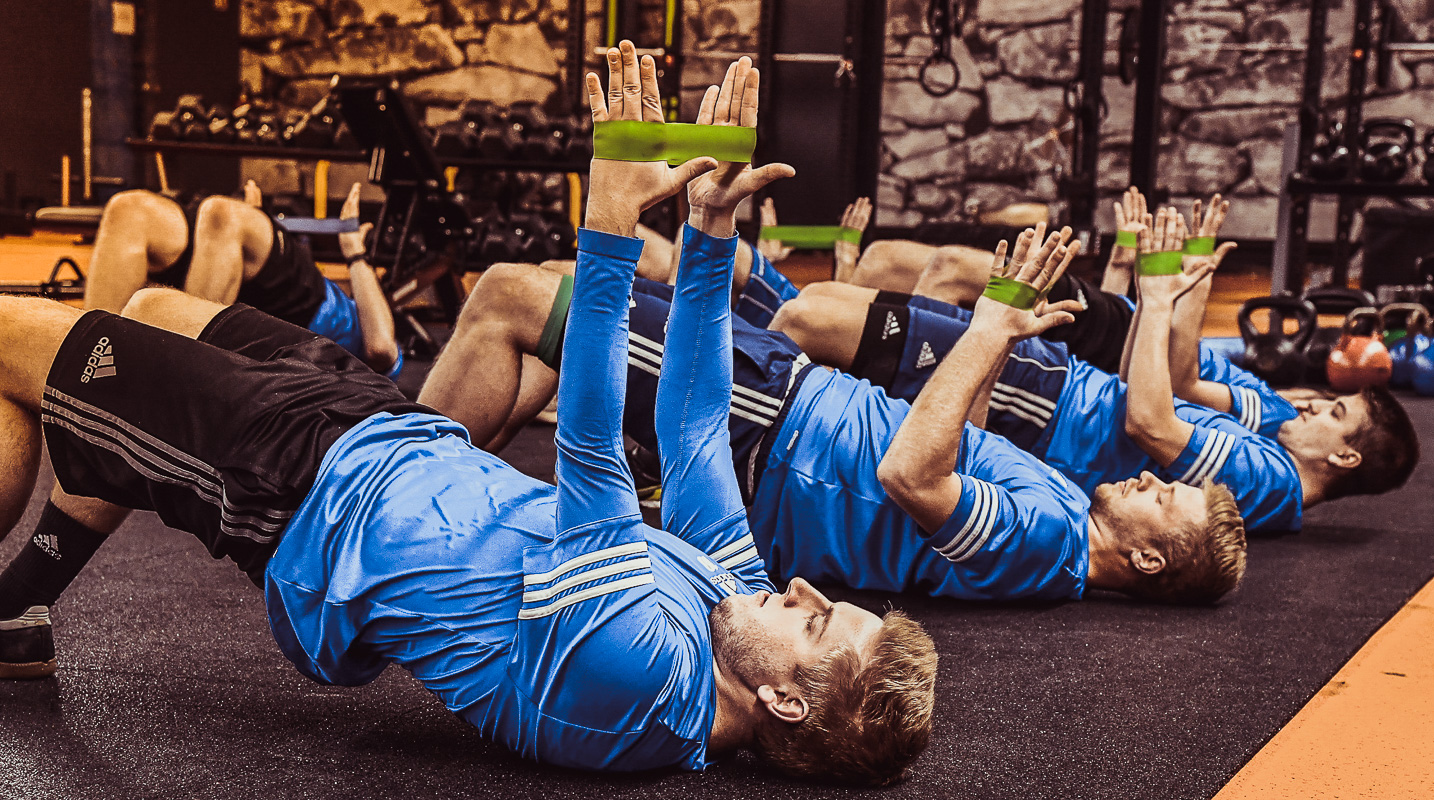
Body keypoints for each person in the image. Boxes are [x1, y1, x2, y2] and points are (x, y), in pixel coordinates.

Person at [0, 45, 937, 785]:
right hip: (381, 433)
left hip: (298, 489)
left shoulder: (640, 685)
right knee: (149, 314)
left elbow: (593, 454)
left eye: (820, 627)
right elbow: (692, 430)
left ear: (781, 703)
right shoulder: (730, 611)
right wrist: (709, 233)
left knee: (10, 341)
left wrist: (607, 231)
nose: (806, 593)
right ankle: (18, 612)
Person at [424, 225, 1248, 606]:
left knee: (510, 297)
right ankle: (419, 470)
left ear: (1145, 561)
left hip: (769, 425)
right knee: (541, 308)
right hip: (785, 405)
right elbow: (964, 450)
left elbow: (911, 475)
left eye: (1162, 497)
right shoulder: (1063, 520)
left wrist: (992, 324)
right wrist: (991, 342)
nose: (1149, 476)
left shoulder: (1048, 546)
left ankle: (385, 462)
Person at [770, 209, 1419, 534]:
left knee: (810, 319)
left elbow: (1150, 421)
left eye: (1336, 415)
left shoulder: (1270, 478)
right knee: (815, 310)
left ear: (1346, 460)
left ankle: (721, 412)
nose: (1313, 406)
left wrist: (1159, 296)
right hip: (1057, 384)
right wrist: (1156, 291)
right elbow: (1171, 386)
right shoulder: (1272, 456)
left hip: (1047, 405)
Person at [83, 180, 401, 377]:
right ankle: (85, 372)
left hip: (302, 314)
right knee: (129, 209)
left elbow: (382, 349)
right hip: (259, 301)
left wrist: (355, 252)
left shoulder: (376, 366)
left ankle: (169, 386)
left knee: (223, 214)